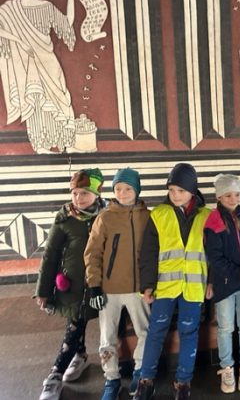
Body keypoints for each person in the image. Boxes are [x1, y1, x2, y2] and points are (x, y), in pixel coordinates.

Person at [133, 163, 211, 400]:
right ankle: (146, 380)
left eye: (181, 190)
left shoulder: (207, 216)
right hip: (164, 287)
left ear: (192, 191)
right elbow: (148, 253)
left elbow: (215, 254)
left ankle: (183, 382)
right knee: (156, 331)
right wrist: (147, 285)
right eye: (171, 190)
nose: (175, 195)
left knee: (189, 333)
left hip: (194, 287)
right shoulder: (159, 214)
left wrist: (212, 282)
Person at [34, 168, 105, 400]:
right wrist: (43, 290)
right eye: (74, 193)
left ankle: (82, 356)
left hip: (102, 284)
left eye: (84, 193)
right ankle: (55, 375)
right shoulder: (65, 218)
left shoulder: (107, 216)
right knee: (75, 325)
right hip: (74, 286)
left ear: (96, 193)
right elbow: (50, 255)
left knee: (101, 325)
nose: (78, 198)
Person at [83, 168, 151, 399]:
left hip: (138, 289)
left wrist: (151, 283)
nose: (122, 193)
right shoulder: (105, 218)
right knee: (107, 336)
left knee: (145, 331)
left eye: (128, 188)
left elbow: (154, 252)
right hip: (109, 289)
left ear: (137, 190)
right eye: (118, 188)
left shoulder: (148, 217)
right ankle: (111, 378)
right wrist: (94, 285)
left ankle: (140, 372)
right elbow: (92, 253)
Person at [0, 0, 87, 153]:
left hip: (49, 60)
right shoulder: (10, 9)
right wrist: (19, 41)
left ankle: (67, 143)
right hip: (28, 62)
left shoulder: (46, 6)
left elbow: (67, 22)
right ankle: (41, 146)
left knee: (60, 97)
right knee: (36, 100)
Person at [204, 174, 240, 393]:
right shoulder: (213, 221)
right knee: (225, 327)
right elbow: (214, 257)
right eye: (228, 195)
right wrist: (238, 272)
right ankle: (227, 368)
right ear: (218, 197)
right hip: (225, 284)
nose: (233, 199)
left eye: (237, 194)